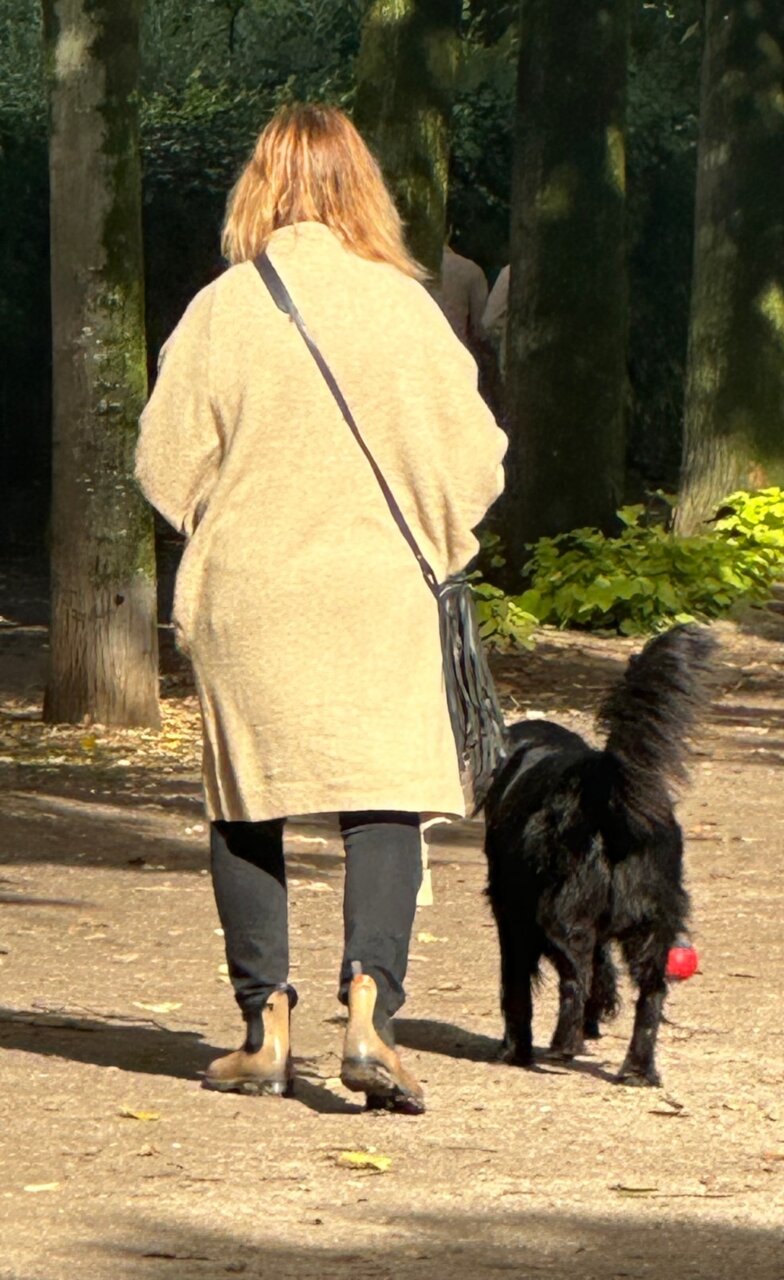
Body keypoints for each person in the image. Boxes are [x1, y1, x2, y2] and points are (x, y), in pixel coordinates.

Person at [135, 103, 508, 1116]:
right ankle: (371, 1010)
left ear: (257, 186)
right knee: (384, 794)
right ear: (365, 189)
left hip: (248, 592)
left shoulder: (223, 308)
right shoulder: (406, 307)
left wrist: (226, 517)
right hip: (378, 588)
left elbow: (163, 468)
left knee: (245, 795)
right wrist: (430, 534)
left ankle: (264, 1028)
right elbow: (477, 464)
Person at [438, 243, 489, 347]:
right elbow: (481, 327)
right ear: (450, 231)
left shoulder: (406, 270)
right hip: (455, 350)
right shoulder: (470, 270)